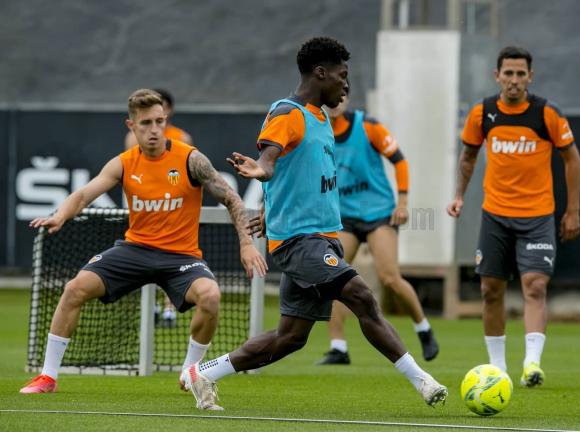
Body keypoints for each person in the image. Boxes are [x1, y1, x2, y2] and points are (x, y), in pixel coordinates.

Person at [181, 37, 447, 411]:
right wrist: (261, 170)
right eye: (342, 75)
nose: (346, 84)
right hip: (299, 242)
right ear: (320, 73)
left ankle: (204, 373)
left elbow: (295, 173)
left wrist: (271, 204)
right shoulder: (288, 112)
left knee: (290, 338)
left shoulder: (321, 117)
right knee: (362, 298)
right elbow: (270, 160)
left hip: (322, 238)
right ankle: (424, 381)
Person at [19, 89, 267, 394]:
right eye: (146, 123)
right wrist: (60, 215)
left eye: (159, 122)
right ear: (131, 126)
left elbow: (230, 197)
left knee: (211, 296)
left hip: (181, 256)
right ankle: (47, 377)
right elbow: (84, 194)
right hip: (134, 250)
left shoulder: (190, 159)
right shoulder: (123, 163)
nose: (154, 130)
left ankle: (190, 372)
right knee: (74, 289)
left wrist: (245, 243)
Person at [446, 46, 580, 387]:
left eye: (521, 74)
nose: (514, 80)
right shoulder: (483, 113)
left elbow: (573, 160)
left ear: (530, 77)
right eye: (508, 73)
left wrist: (573, 211)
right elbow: (468, 156)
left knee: (534, 286)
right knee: (490, 289)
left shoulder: (546, 114)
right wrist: (460, 195)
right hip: (495, 216)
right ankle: (498, 368)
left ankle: (532, 365)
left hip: (537, 217)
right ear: (497, 76)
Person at [315, 89, 439, 365]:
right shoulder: (316, 132)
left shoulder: (367, 126)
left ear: (347, 99)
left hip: (378, 213)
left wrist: (403, 201)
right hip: (343, 216)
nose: (336, 102)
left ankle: (424, 328)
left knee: (389, 277)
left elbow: (400, 160)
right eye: (330, 98)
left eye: (342, 96)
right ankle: (338, 348)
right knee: (331, 277)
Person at [124, 89, 190, 328]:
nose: (153, 126)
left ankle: (169, 311)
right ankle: (150, 307)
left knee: (173, 265)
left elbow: (181, 174)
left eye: (159, 115)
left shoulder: (182, 137)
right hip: (144, 211)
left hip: (172, 213)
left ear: (167, 111)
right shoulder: (134, 138)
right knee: (142, 262)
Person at [124, 88, 192, 150]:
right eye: (146, 122)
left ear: (170, 109)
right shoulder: (133, 138)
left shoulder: (183, 137)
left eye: (164, 108)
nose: (154, 130)